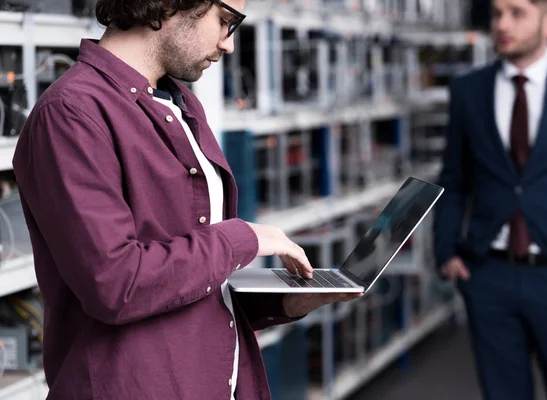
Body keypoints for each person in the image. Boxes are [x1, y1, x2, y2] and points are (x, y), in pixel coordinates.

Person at [11, 0, 361, 398]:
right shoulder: (72, 114)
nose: (228, 44)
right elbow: (116, 285)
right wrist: (241, 238)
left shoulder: (181, 103)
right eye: (226, 20)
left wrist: (286, 303)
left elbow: (193, 280)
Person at [433, 0, 547, 399]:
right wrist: (446, 254)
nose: (502, 23)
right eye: (496, 13)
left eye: (517, 12)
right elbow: (453, 180)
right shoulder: (468, 90)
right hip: (487, 276)